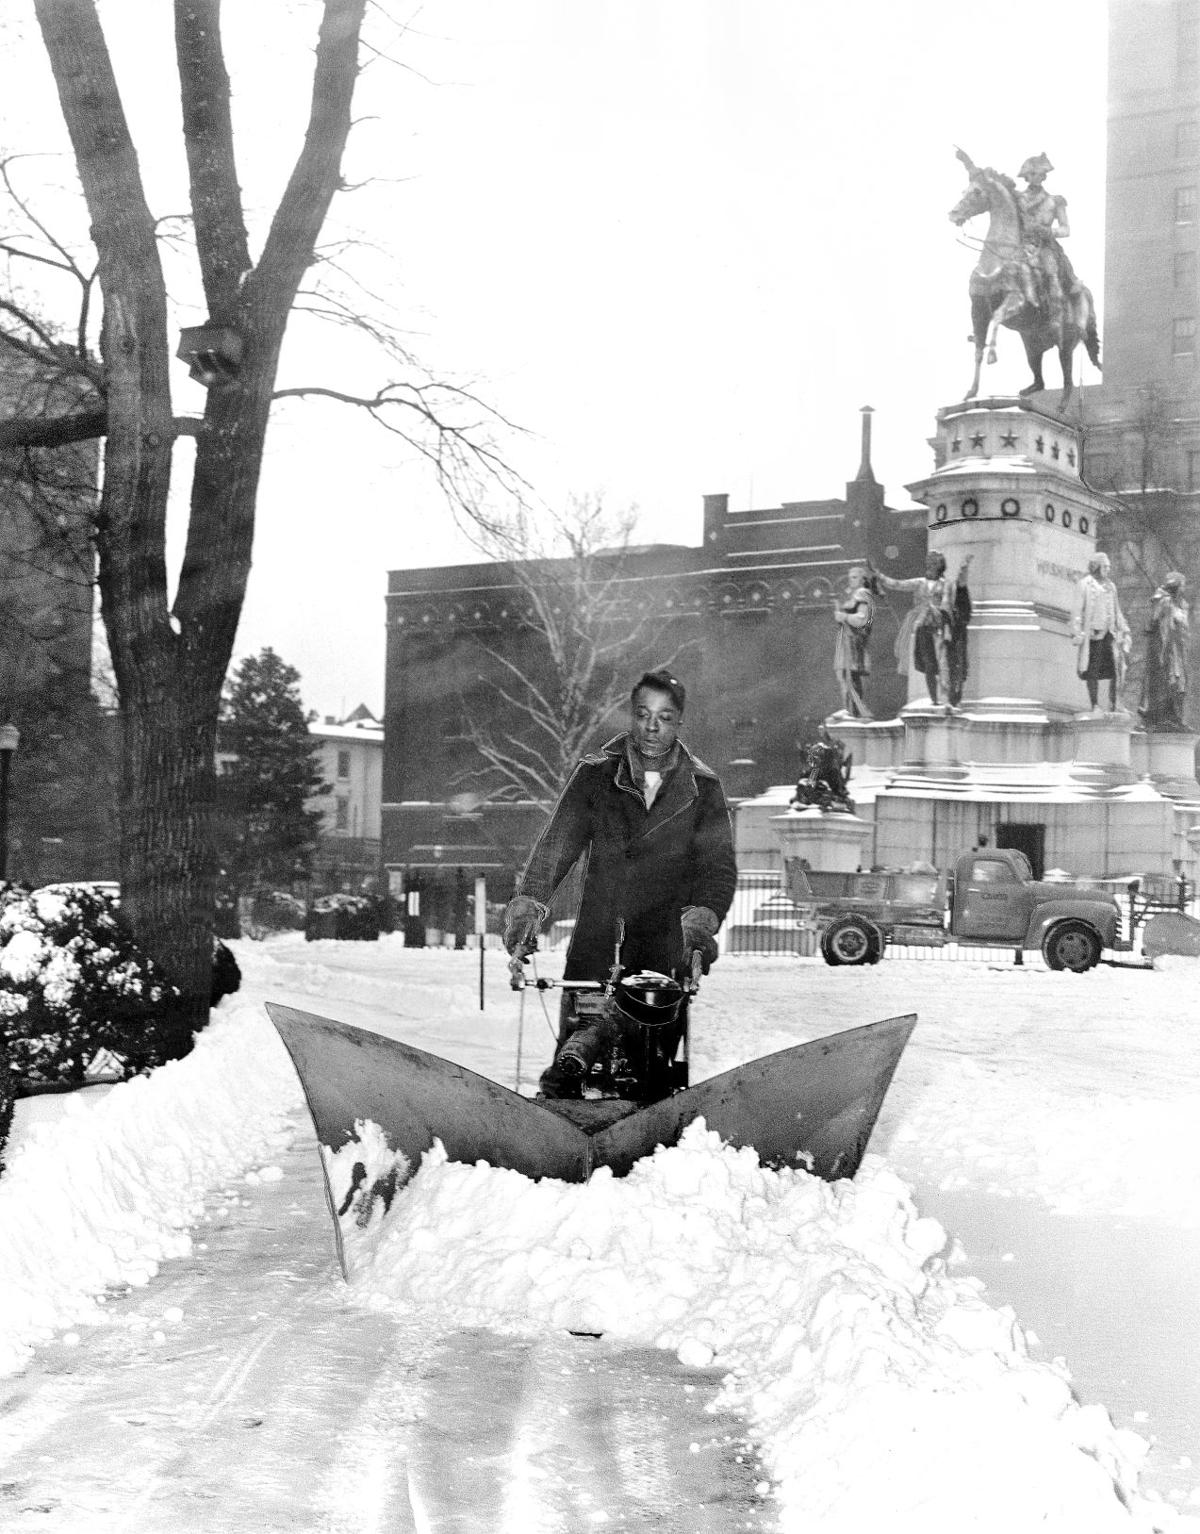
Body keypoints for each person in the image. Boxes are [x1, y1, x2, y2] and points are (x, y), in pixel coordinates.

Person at [502, 667, 738, 1098]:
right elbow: (556, 847)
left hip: (665, 947)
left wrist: (698, 928)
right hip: (596, 941)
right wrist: (527, 910)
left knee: (650, 1076)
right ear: (632, 716)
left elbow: (717, 869)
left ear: (679, 721)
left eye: (664, 717)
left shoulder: (703, 788)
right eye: (643, 714)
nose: (652, 727)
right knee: (574, 1064)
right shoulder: (595, 775)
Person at [876, 553, 972, 708]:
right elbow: (898, 584)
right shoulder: (920, 582)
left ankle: (945, 695)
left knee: (942, 662)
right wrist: (879, 576)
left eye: (934, 563)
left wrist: (943, 616)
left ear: (940, 566)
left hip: (938, 626)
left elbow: (948, 601)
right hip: (922, 625)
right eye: (929, 563)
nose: (931, 566)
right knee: (928, 664)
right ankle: (934, 699)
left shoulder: (946, 585)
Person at [1015, 152, 1080, 340]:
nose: (1036, 177)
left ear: (1044, 176)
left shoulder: (1054, 201)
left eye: (1039, 173)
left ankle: (1056, 316)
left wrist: (1048, 231)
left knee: (1052, 272)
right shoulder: (1017, 199)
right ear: (1026, 176)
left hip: (1044, 245)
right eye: (1032, 173)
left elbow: (1066, 229)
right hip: (1022, 246)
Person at [1072, 552, 1130, 714]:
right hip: (1093, 634)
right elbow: (1077, 610)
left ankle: (1115, 703)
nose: (1108, 569)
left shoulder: (1111, 586)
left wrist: (1124, 629)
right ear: (1096, 566)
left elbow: (1117, 610)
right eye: (1105, 566)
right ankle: (1095, 705)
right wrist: (1076, 631)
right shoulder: (1085, 584)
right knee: (1093, 669)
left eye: (1108, 567)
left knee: (1117, 669)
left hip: (1110, 633)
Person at [1138, 572, 1190, 731]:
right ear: (1176, 586)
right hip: (1165, 650)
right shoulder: (1163, 601)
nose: (1184, 589)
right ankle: (1162, 717)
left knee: (1179, 684)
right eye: (1182, 585)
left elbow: (1184, 630)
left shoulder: (1182, 605)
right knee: (1165, 682)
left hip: (1178, 651)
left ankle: (1175, 717)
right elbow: (1151, 625)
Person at [832, 565, 878, 719]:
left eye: (854, 577)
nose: (851, 580)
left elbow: (862, 619)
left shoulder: (863, 593)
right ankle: (851, 710)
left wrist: (843, 616)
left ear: (863, 579)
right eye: (850, 577)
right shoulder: (856, 595)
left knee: (850, 676)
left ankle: (855, 711)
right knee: (847, 676)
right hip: (848, 640)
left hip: (853, 641)